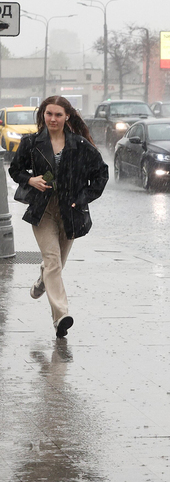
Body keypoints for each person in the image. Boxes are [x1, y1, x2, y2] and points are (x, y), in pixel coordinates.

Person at [8, 96, 108, 338]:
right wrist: (30, 179)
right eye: (49, 114)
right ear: (43, 115)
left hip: (70, 211)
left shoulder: (80, 145)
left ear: (67, 117)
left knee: (56, 265)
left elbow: (101, 175)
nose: (53, 119)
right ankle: (61, 316)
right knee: (53, 262)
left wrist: (82, 198)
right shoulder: (31, 143)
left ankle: (42, 282)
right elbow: (15, 169)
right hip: (42, 210)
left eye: (58, 115)